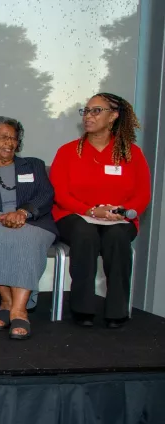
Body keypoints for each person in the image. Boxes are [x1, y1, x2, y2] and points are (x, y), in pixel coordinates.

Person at [50, 93, 150, 328]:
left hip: (118, 219)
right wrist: (92, 211)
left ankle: (117, 310)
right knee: (85, 234)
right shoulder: (68, 151)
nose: (88, 116)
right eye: (86, 111)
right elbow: (60, 193)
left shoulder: (131, 153)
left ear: (113, 116)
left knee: (117, 237)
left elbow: (142, 194)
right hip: (74, 216)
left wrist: (122, 213)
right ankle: (82, 309)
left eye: (96, 111)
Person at [0, 117, 57, 339]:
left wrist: (22, 213)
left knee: (25, 238)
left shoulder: (33, 165)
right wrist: (0, 216)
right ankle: (5, 302)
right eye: (3, 137)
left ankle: (19, 309)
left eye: (13, 138)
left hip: (33, 220)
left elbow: (46, 195)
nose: (9, 143)